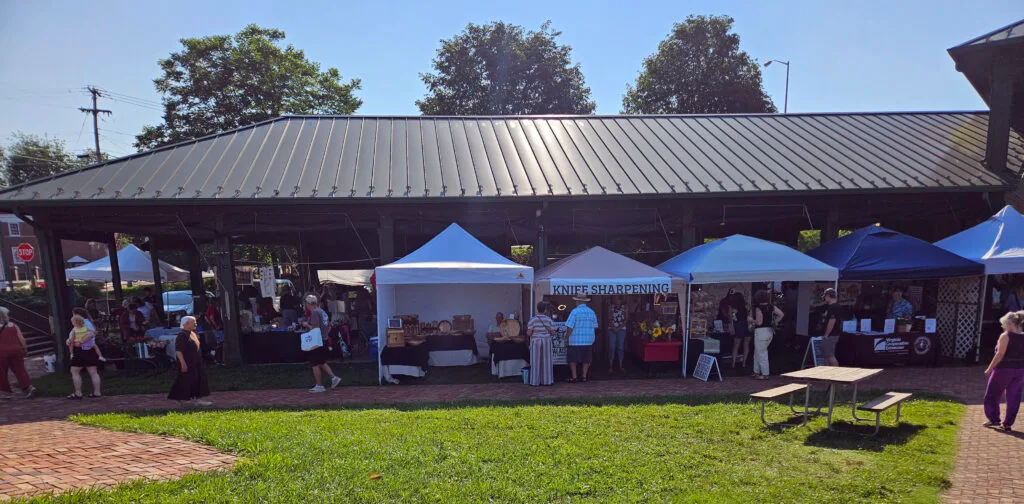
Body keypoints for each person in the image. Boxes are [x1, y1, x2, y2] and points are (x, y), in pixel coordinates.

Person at [983, 311, 1024, 431]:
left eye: (1005, 324)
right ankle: (1007, 423)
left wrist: (989, 368)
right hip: (1020, 369)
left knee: (993, 393)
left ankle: (994, 418)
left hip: (1003, 369)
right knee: (1014, 397)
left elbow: (1000, 354)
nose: (1003, 326)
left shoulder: (1005, 336)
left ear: (1011, 324)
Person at [168, 316, 212, 406]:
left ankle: (197, 398)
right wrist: (183, 363)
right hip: (187, 362)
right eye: (193, 322)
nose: (196, 324)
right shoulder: (182, 335)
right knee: (184, 381)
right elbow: (179, 351)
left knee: (198, 379)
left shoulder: (192, 334)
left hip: (196, 362)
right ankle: (180, 398)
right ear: (186, 324)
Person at [301, 295, 341, 393]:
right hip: (324, 339)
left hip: (317, 340)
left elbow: (315, 328)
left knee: (314, 363)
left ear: (309, 303)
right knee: (321, 361)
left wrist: (306, 324)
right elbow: (328, 326)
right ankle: (334, 378)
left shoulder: (315, 312)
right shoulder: (322, 311)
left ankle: (319, 385)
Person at [0, 307, 35, 400]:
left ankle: (5, 392)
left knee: (2, 372)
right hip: (16, 350)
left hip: (1, 352)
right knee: (20, 369)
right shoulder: (14, 325)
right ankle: (29, 387)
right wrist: (25, 349)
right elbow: (22, 339)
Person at [564, 295, 598, 383]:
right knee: (586, 359)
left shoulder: (574, 312)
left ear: (578, 301)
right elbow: (595, 326)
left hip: (575, 339)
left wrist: (566, 338)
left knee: (572, 359)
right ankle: (584, 376)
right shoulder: (591, 312)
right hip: (588, 340)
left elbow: (570, 326)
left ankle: (574, 376)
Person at [67, 315, 102, 399]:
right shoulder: (88, 326)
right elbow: (92, 334)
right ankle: (97, 392)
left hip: (79, 351)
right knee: (93, 372)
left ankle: (78, 393)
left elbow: (71, 340)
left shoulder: (75, 329)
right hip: (90, 349)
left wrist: (73, 342)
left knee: (75, 371)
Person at [752, 290, 784, 380]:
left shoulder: (758, 308)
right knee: (758, 352)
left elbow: (759, 322)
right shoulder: (771, 307)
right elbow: (781, 314)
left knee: (761, 353)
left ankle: (765, 374)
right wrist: (775, 322)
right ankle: (756, 371)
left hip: (761, 332)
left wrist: (751, 320)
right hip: (769, 331)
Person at [526, 302, 556, 386]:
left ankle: (535, 381)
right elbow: (553, 332)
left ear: (537, 309)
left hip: (536, 341)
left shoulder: (533, 320)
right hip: (546, 341)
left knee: (535, 361)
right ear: (545, 310)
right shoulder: (548, 319)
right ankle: (547, 380)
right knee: (547, 361)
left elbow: (529, 333)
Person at [819, 288, 843, 367]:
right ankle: (827, 372)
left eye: (825, 296)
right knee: (826, 356)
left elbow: (832, 321)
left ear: (829, 296)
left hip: (830, 335)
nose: (824, 298)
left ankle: (836, 373)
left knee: (830, 356)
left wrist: (826, 334)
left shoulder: (833, 307)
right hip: (833, 335)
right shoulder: (836, 306)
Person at [729, 292, 751, 369]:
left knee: (736, 346)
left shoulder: (732, 308)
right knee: (746, 345)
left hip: (738, 326)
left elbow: (730, 319)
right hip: (746, 326)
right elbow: (749, 316)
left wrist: (731, 328)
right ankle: (744, 363)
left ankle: (733, 363)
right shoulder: (746, 306)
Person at [607, 296, 628, 373]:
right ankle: (610, 366)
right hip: (611, 329)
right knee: (612, 347)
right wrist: (613, 327)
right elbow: (609, 318)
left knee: (620, 347)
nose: (616, 300)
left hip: (621, 329)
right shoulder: (610, 307)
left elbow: (626, 319)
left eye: (618, 299)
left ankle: (621, 366)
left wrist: (619, 328)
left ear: (621, 300)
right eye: (615, 299)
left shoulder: (625, 307)